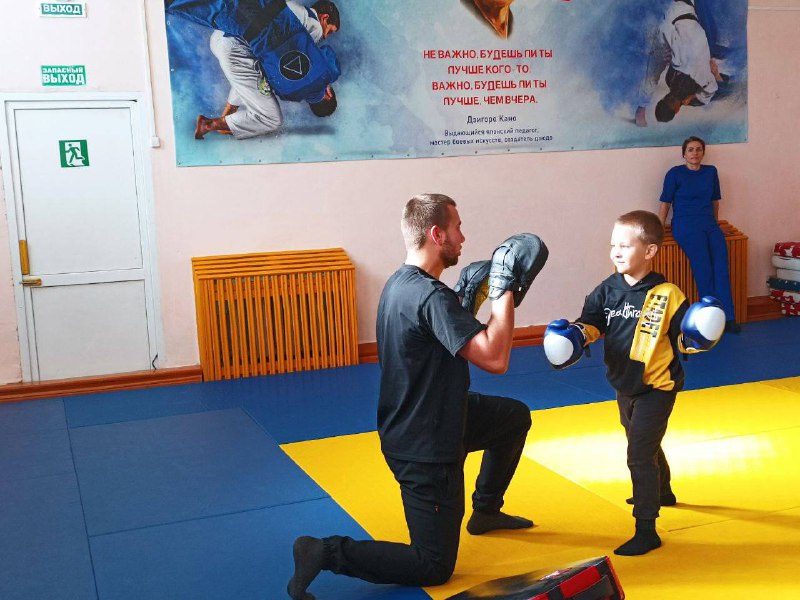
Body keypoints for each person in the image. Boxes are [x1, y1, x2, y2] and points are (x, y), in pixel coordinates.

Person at [288, 194, 540, 599]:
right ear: (437, 234)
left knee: (513, 417)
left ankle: (486, 509)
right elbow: (495, 358)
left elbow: (438, 335)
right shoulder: (432, 297)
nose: (463, 237)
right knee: (433, 565)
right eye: (457, 228)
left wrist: (466, 302)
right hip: (426, 447)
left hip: (436, 416)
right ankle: (325, 551)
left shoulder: (401, 284)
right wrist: (504, 290)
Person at [543, 210, 725, 556]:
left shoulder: (667, 293)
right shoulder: (606, 290)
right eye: (613, 245)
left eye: (625, 246)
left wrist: (701, 333)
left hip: (657, 386)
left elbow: (683, 338)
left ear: (650, 251)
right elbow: (591, 324)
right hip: (623, 383)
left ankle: (646, 528)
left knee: (638, 453)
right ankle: (662, 491)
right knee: (643, 441)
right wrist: (574, 336)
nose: (616, 252)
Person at [165, 0, 341, 139]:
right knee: (272, 118)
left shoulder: (293, 7)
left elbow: (256, 72)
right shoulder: (313, 30)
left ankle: (225, 121)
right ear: (324, 18)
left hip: (224, 34)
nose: (326, 37)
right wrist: (230, 115)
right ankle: (212, 125)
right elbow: (262, 73)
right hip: (235, 46)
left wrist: (230, 111)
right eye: (330, 31)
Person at [659, 136, 739, 332]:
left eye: (698, 149)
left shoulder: (711, 172)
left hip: (709, 225)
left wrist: (716, 223)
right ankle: (711, 319)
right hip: (686, 225)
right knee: (703, 269)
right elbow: (665, 202)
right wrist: (659, 227)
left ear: (703, 152)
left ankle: (728, 317)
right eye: (690, 150)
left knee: (721, 267)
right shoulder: (675, 174)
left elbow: (715, 201)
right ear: (684, 154)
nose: (695, 153)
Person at [634, 0, 725, 126]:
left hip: (678, 17)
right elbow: (712, 89)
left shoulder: (675, 75)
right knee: (656, 66)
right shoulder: (693, 73)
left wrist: (693, 96)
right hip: (680, 15)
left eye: (668, 97)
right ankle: (641, 107)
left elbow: (710, 89)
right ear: (677, 110)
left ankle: (641, 107)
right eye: (672, 100)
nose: (671, 96)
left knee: (655, 65)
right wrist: (693, 96)